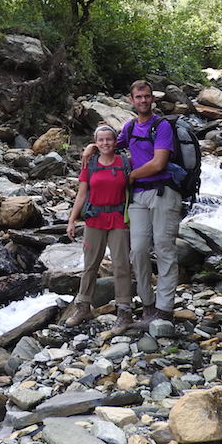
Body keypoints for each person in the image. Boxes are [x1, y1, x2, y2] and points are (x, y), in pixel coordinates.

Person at [84, 80, 180, 328]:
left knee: (164, 248)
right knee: (137, 250)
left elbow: (158, 163)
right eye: (139, 97)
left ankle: (165, 309)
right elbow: (111, 145)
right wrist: (91, 148)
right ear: (131, 100)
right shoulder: (129, 127)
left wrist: (131, 176)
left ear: (152, 99)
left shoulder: (162, 127)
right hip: (137, 197)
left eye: (147, 96)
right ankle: (148, 305)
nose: (143, 101)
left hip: (163, 192)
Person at [64, 124, 133, 336]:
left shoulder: (125, 163)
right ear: (96, 142)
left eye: (109, 139)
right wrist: (72, 219)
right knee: (90, 265)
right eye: (100, 140)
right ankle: (83, 307)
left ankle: (124, 311)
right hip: (94, 219)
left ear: (115, 141)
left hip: (119, 219)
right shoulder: (90, 163)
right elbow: (82, 194)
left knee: (121, 265)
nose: (105, 143)